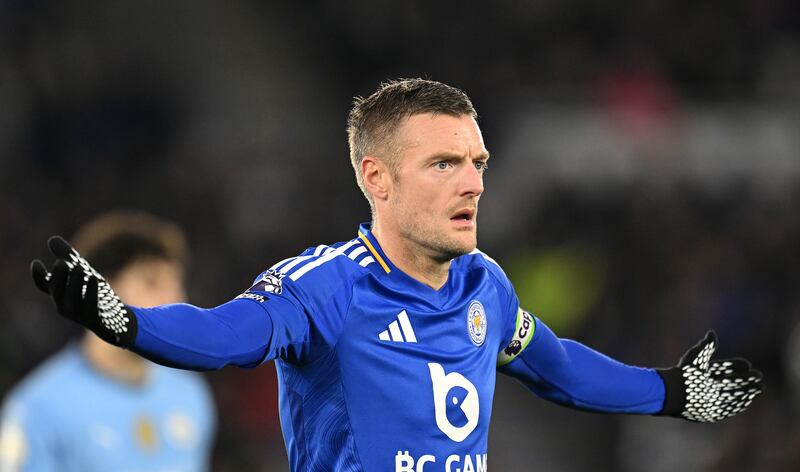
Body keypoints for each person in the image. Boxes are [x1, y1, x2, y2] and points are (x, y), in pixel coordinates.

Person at [29, 79, 762, 472]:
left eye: (477, 163)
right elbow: (226, 332)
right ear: (377, 178)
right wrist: (129, 322)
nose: (472, 183)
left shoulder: (486, 287)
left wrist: (669, 391)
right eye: (443, 164)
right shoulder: (326, 286)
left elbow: (559, 368)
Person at [5, 211, 215, 472]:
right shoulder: (40, 409)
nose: (176, 298)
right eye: (152, 282)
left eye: (177, 283)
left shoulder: (190, 393)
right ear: (99, 291)